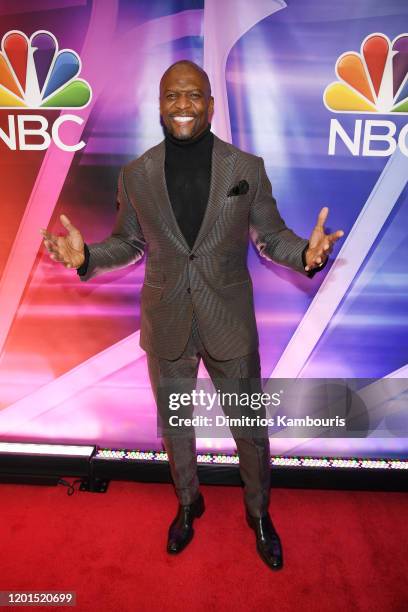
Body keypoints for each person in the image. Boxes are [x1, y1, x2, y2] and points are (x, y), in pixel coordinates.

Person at [41, 60, 344, 571]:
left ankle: (259, 513)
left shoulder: (245, 167)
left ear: (210, 103)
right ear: (160, 105)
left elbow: (271, 236)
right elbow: (129, 242)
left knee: (249, 427)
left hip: (228, 320)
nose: (183, 105)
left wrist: (306, 255)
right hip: (167, 322)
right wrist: (88, 257)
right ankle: (188, 502)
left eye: (194, 95)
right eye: (172, 97)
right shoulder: (137, 173)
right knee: (176, 426)